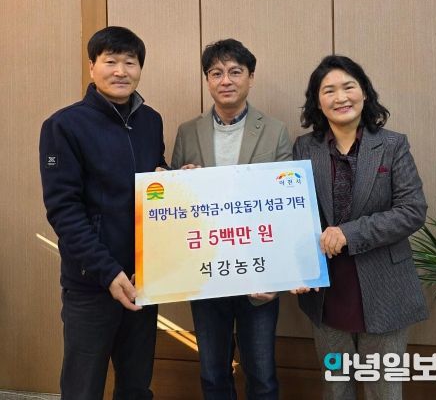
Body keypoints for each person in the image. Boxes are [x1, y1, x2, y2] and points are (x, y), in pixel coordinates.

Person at [39, 26, 166, 400]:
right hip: (92, 282)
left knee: (136, 386)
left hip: (144, 278)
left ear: (140, 68)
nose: (121, 71)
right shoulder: (63, 125)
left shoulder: (151, 120)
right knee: (83, 389)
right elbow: (63, 210)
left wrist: (173, 177)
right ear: (92, 66)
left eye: (130, 62)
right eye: (111, 61)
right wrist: (107, 271)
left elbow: (152, 182)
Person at [292, 55, 428, 400]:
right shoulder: (305, 148)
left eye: (348, 87)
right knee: (336, 387)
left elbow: (412, 210)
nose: (340, 97)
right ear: (317, 102)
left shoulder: (393, 145)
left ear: (364, 92)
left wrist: (348, 233)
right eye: (329, 90)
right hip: (327, 292)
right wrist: (294, 266)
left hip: (384, 290)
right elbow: (295, 214)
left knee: (384, 389)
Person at [171, 38, 292, 400]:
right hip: (206, 272)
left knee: (263, 376)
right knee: (212, 374)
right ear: (207, 80)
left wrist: (278, 275)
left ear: (250, 78)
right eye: (216, 73)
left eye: (235, 72)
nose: (226, 80)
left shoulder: (275, 130)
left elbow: (286, 207)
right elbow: (177, 209)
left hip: (258, 274)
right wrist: (181, 182)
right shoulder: (187, 131)